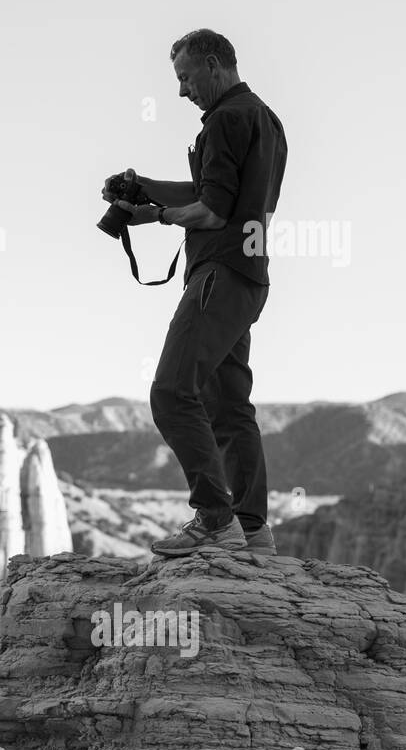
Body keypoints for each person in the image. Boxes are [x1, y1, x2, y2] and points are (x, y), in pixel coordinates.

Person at [103, 28, 286, 556]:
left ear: (212, 64)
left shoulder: (226, 119)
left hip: (219, 275)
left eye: (185, 77)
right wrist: (147, 190)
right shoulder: (264, 118)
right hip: (250, 277)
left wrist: (155, 216)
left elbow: (211, 210)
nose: (182, 91)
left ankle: (214, 518)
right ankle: (253, 532)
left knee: (171, 393)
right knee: (230, 408)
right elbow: (214, 191)